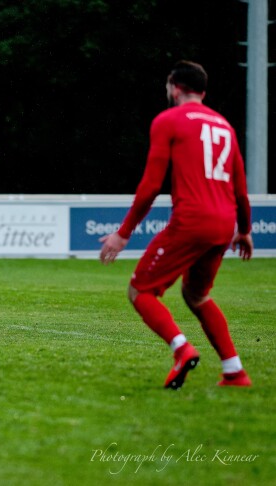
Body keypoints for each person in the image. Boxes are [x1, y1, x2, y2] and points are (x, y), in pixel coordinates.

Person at [99, 60, 253, 389]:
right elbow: (241, 189)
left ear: (175, 86)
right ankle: (234, 372)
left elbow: (151, 186)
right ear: (203, 90)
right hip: (224, 225)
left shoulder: (168, 120)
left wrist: (123, 233)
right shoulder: (225, 125)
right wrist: (246, 229)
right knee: (196, 295)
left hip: (192, 221)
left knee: (140, 291)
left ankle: (182, 349)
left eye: (167, 85)